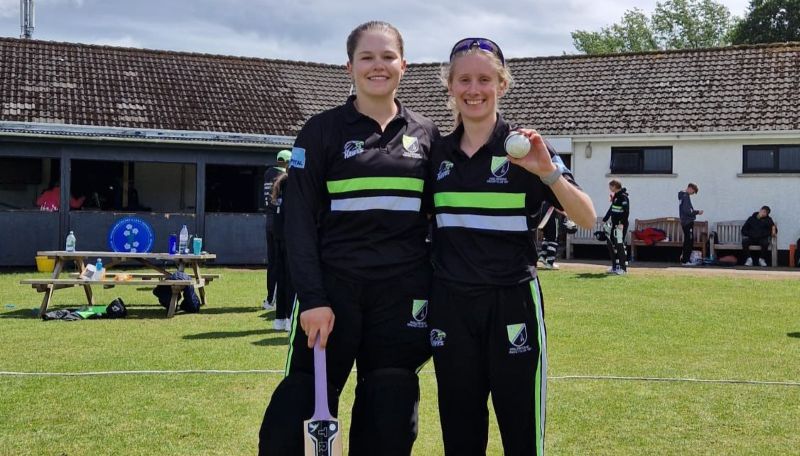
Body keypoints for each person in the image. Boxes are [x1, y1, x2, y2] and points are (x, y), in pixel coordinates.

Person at [258, 21, 438, 456]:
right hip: (333, 296)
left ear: (404, 65)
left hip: (400, 299)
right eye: (367, 57)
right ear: (349, 67)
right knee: (300, 407)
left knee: (390, 412)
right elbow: (299, 222)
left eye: (388, 57)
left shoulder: (427, 135)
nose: (378, 66)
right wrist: (313, 298)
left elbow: (443, 218)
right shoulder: (321, 131)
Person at [428, 37, 595, 456]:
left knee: (521, 434)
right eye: (464, 79)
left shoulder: (525, 147)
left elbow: (587, 217)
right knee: (460, 437)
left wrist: (548, 174)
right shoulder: (436, 153)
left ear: (502, 84)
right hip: (451, 306)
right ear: (450, 85)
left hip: (512, 302)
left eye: (485, 79)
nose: (474, 89)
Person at [263, 149, 291, 310]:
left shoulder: (268, 174)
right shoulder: (283, 177)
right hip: (280, 222)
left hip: (269, 221)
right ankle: (274, 299)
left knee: (272, 261)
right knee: (281, 262)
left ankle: (269, 298)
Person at [269, 171, 293, 330]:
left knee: (281, 280)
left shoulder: (278, 199)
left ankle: (280, 318)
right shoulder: (291, 199)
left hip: (278, 241)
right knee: (291, 282)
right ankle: (290, 318)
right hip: (289, 242)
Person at [603, 180, 629, 274]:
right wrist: (605, 219)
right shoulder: (616, 196)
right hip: (614, 225)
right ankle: (615, 267)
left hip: (620, 225)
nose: (609, 188)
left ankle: (623, 269)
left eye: (610, 186)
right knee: (612, 245)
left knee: (620, 245)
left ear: (615, 186)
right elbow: (612, 208)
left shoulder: (623, 197)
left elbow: (626, 211)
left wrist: (621, 223)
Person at [678, 183, 703, 266]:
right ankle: (686, 260)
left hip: (684, 221)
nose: (692, 194)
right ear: (690, 188)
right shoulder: (685, 196)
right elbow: (687, 211)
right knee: (689, 241)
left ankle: (685, 259)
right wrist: (697, 212)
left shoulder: (682, 195)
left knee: (688, 240)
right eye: (693, 192)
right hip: (687, 222)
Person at [536, 202, 562, 270]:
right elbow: (556, 207)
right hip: (552, 217)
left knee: (547, 238)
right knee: (553, 240)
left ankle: (543, 256)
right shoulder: (556, 196)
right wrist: (567, 215)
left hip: (544, 217)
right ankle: (550, 263)